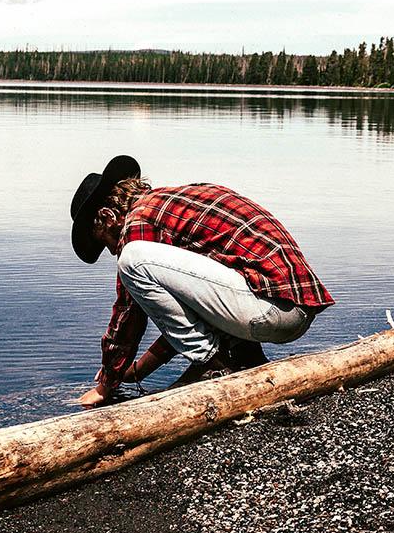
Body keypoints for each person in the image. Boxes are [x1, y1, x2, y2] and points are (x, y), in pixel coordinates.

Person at [70, 155, 334, 408]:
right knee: (218, 272)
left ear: (107, 217)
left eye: (102, 240)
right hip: (290, 310)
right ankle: (246, 359)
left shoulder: (138, 223)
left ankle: (211, 366)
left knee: (132, 260)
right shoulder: (176, 201)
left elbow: (128, 315)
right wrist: (137, 371)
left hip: (269, 311)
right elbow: (192, 310)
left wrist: (106, 384)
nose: (110, 249)